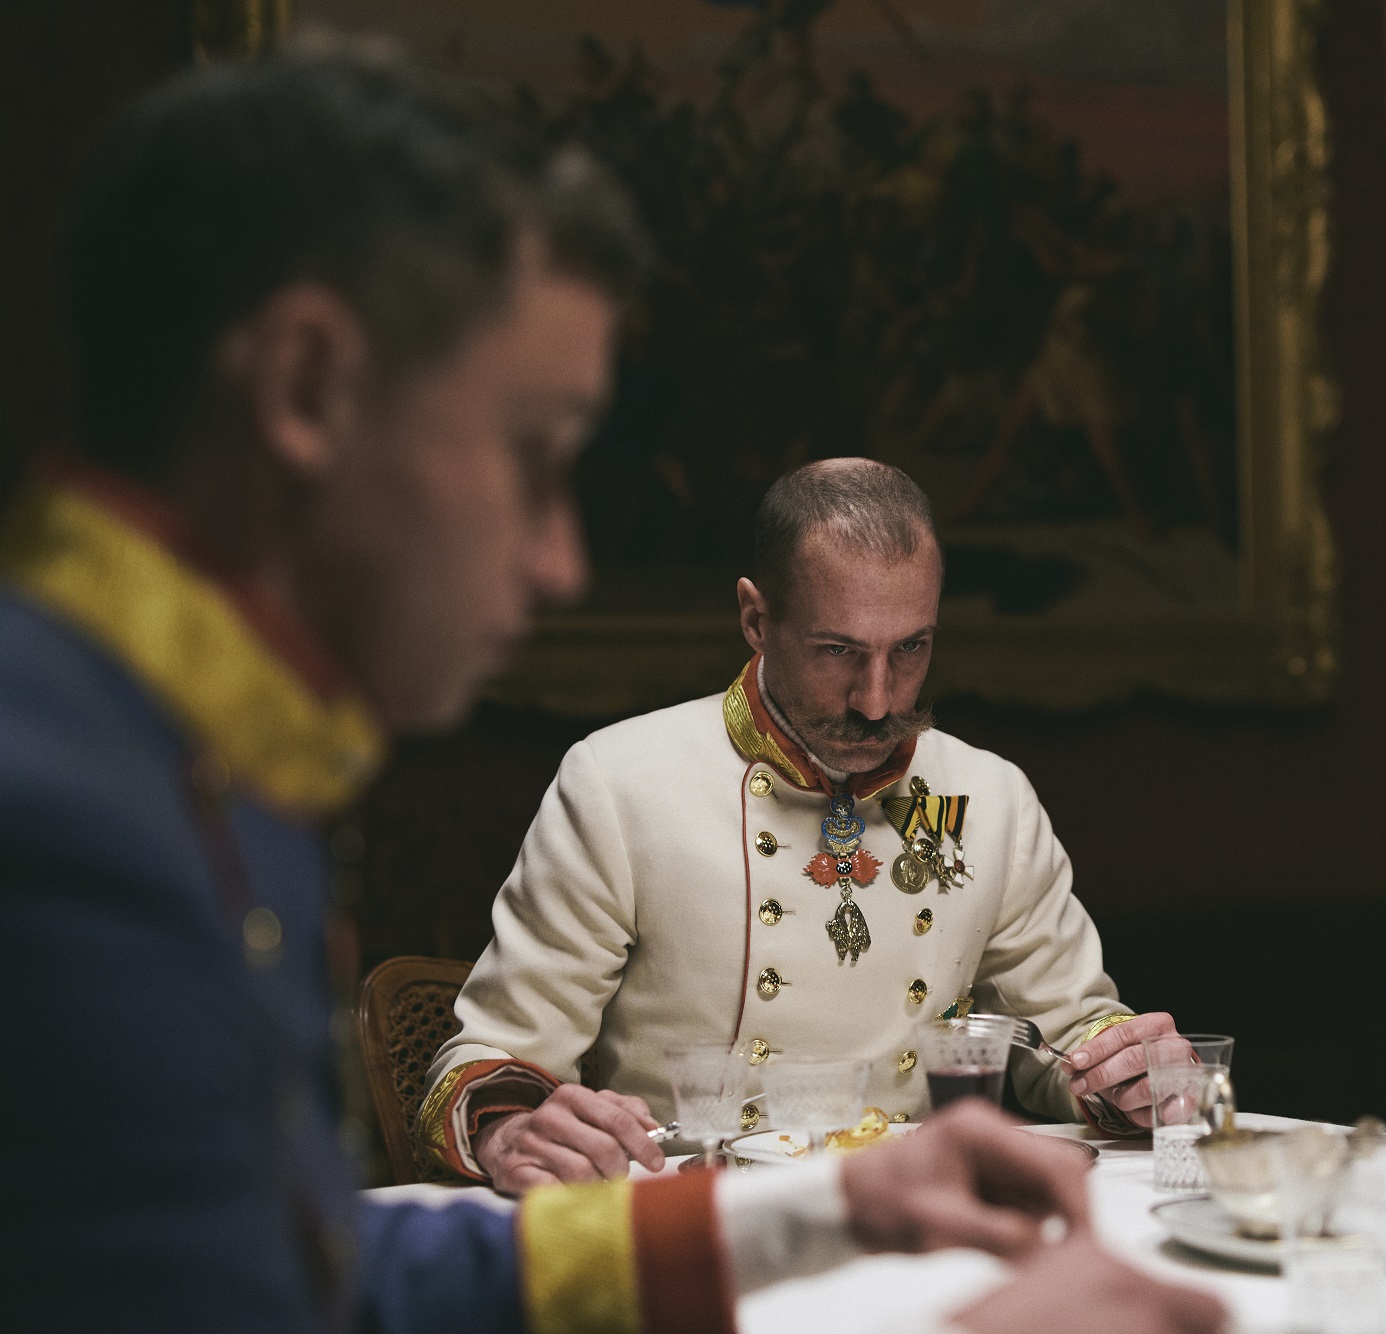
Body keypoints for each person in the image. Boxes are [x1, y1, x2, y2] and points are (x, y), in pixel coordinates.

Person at [0, 45, 1226, 1334]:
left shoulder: (201, 771)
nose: (561, 558)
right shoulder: (59, 824)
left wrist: (833, 1213)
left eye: (908, 652)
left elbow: (331, 1286)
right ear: (307, 387)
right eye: (534, 454)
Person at [425, 458, 1191, 1193]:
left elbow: (1064, 1036)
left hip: (923, 1217)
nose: (878, 701)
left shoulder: (989, 798)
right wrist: (507, 1130)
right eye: (839, 651)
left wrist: (1124, 1071)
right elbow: (497, 1058)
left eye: (911, 648)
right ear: (756, 618)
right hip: (700, 1223)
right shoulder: (618, 785)